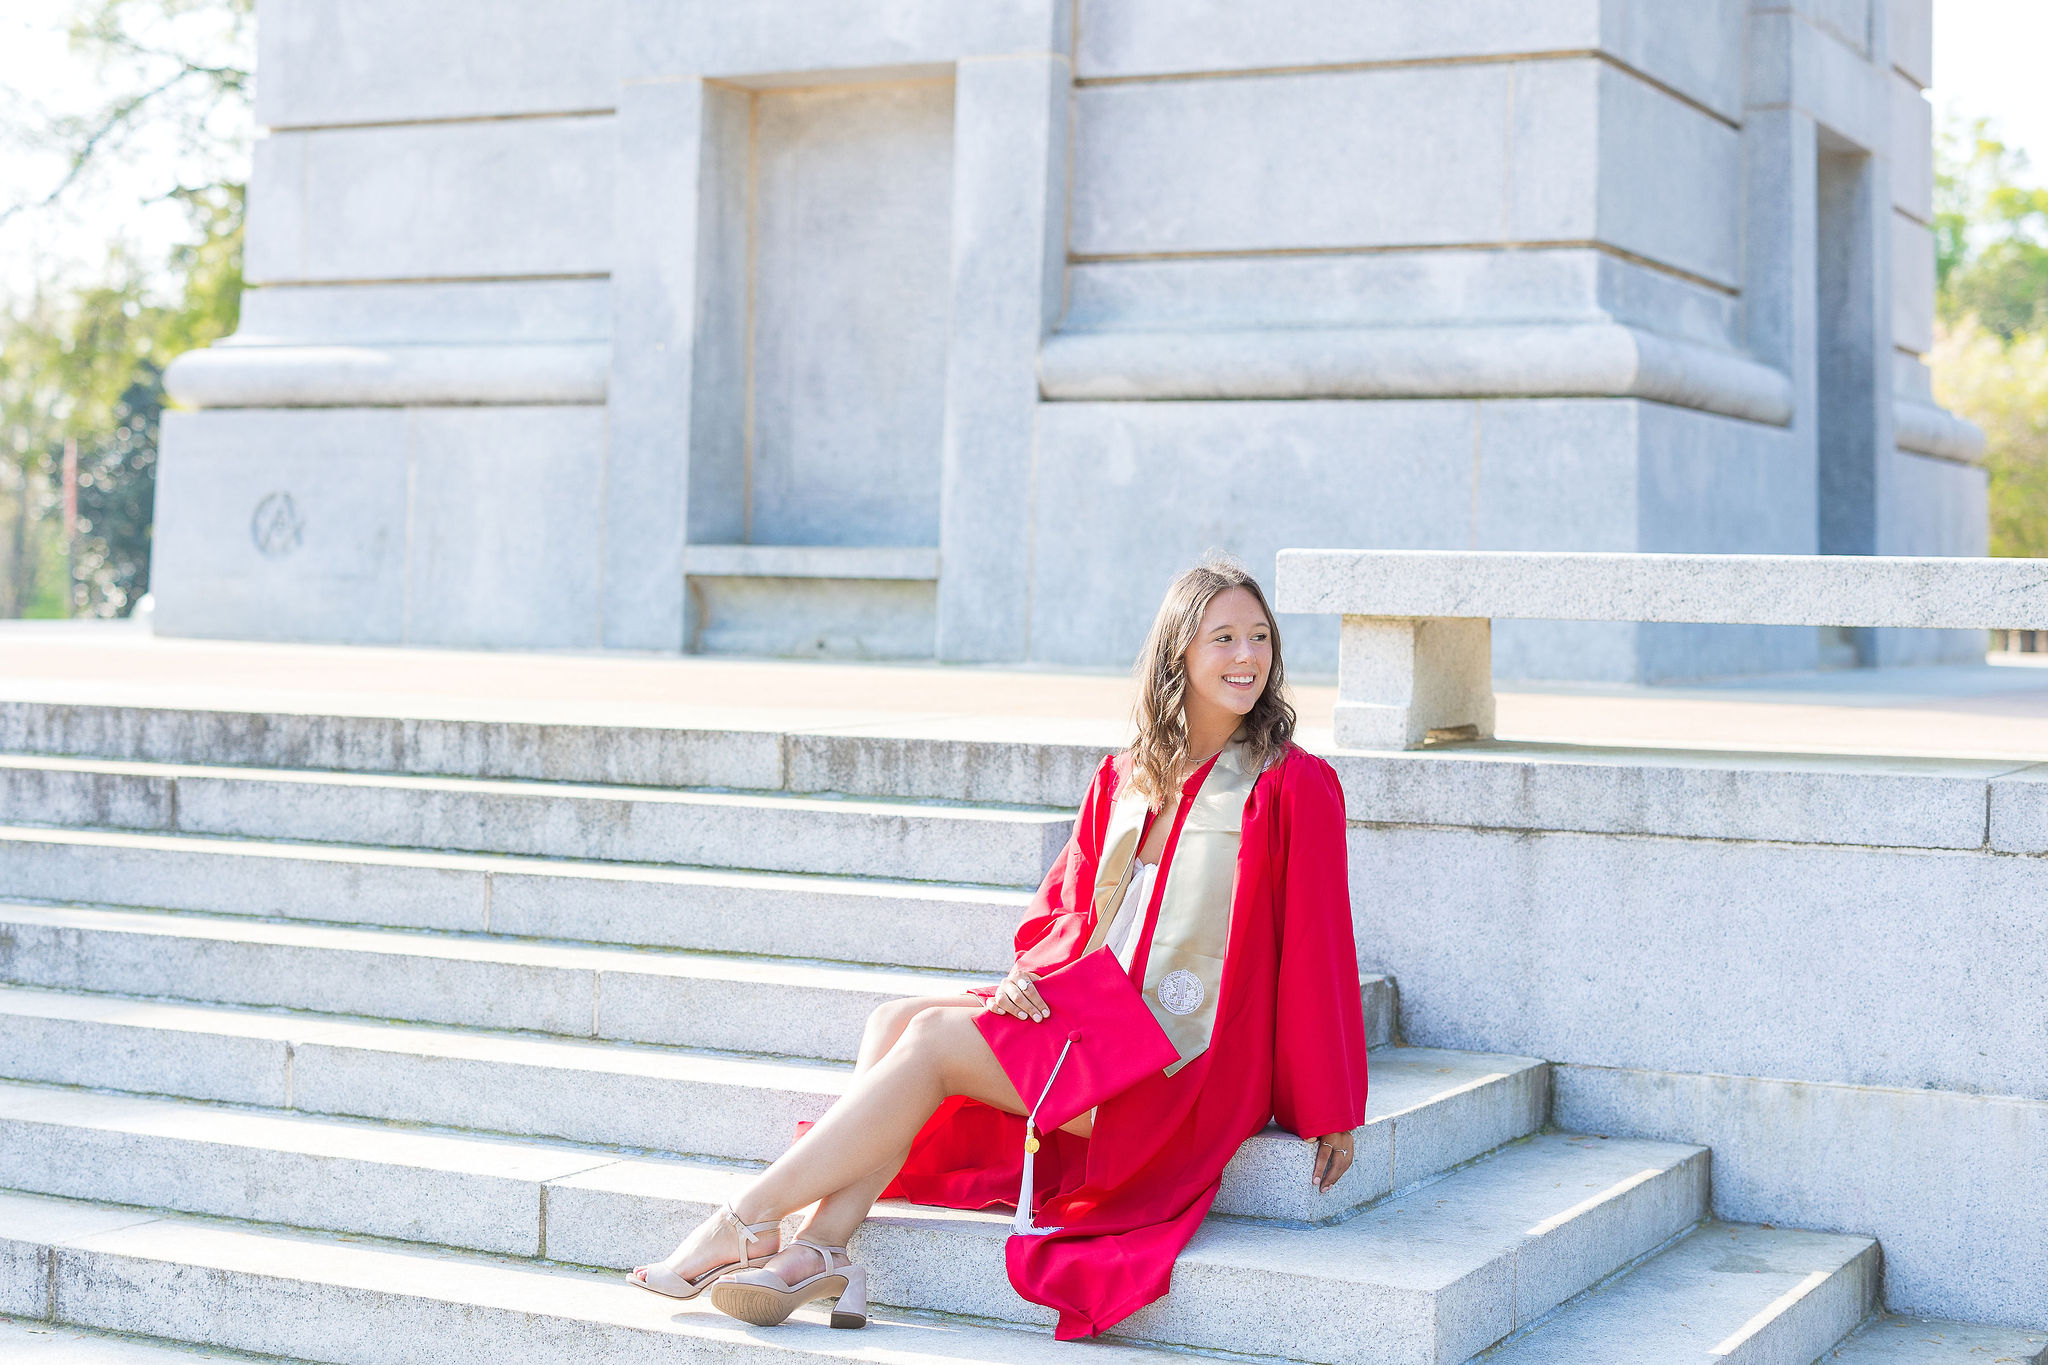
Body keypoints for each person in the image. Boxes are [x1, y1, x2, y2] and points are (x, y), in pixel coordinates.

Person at [628, 556, 1370, 1338]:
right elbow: (1065, 912)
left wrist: (1329, 1108)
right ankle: (820, 1247)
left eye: (1260, 636)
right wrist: (1031, 977)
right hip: (1100, 1022)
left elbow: (1319, 951)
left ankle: (743, 1220)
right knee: (894, 1018)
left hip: (1182, 1066)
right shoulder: (1126, 778)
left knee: (933, 1039)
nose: (1247, 656)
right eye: (1223, 637)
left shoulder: (1293, 785)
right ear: (1177, 653)